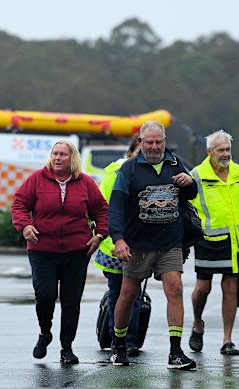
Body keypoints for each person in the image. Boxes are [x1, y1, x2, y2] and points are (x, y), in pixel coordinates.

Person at [108, 121, 198, 370]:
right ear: (141, 142)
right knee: (128, 294)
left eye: (158, 142)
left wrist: (190, 183)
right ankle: (118, 345)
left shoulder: (174, 163)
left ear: (165, 141)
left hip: (170, 242)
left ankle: (175, 351)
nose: (154, 146)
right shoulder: (129, 170)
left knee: (176, 289)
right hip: (137, 244)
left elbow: (191, 194)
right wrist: (118, 239)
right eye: (149, 142)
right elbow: (115, 208)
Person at [11, 140, 108, 364]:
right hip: (42, 249)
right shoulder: (36, 178)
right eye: (55, 154)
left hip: (76, 251)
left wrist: (99, 234)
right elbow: (19, 204)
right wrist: (25, 225)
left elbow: (102, 210)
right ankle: (45, 333)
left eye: (63, 154)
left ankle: (67, 347)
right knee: (45, 296)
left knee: (71, 301)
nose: (57, 158)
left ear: (72, 158)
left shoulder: (85, 183)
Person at [188, 129, 239, 356]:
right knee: (203, 288)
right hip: (207, 240)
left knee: (230, 287)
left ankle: (227, 340)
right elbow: (189, 208)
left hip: (236, 240)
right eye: (221, 150)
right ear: (209, 151)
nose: (225, 154)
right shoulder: (197, 175)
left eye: (228, 149)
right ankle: (197, 323)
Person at [93, 136, 143, 356]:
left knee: (134, 294)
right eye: (139, 151)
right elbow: (105, 208)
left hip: (139, 244)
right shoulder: (118, 173)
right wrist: (112, 237)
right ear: (130, 153)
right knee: (119, 293)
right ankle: (122, 340)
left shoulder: (150, 173)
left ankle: (127, 339)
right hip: (115, 244)